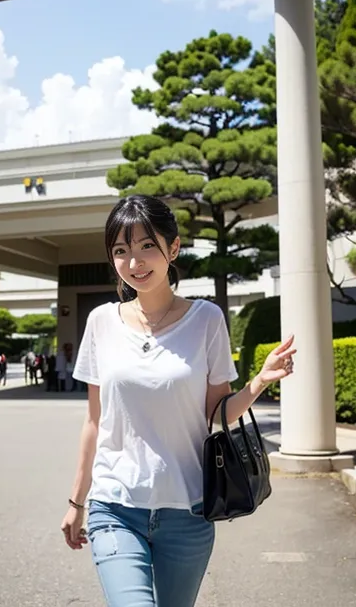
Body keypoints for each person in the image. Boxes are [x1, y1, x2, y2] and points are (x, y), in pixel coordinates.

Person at [60, 195, 296, 607]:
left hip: (187, 513)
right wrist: (76, 503)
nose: (134, 262)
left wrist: (259, 381)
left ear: (173, 248)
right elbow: (94, 422)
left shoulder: (206, 319)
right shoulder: (101, 322)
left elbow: (216, 413)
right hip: (115, 508)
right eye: (121, 250)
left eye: (146, 246)